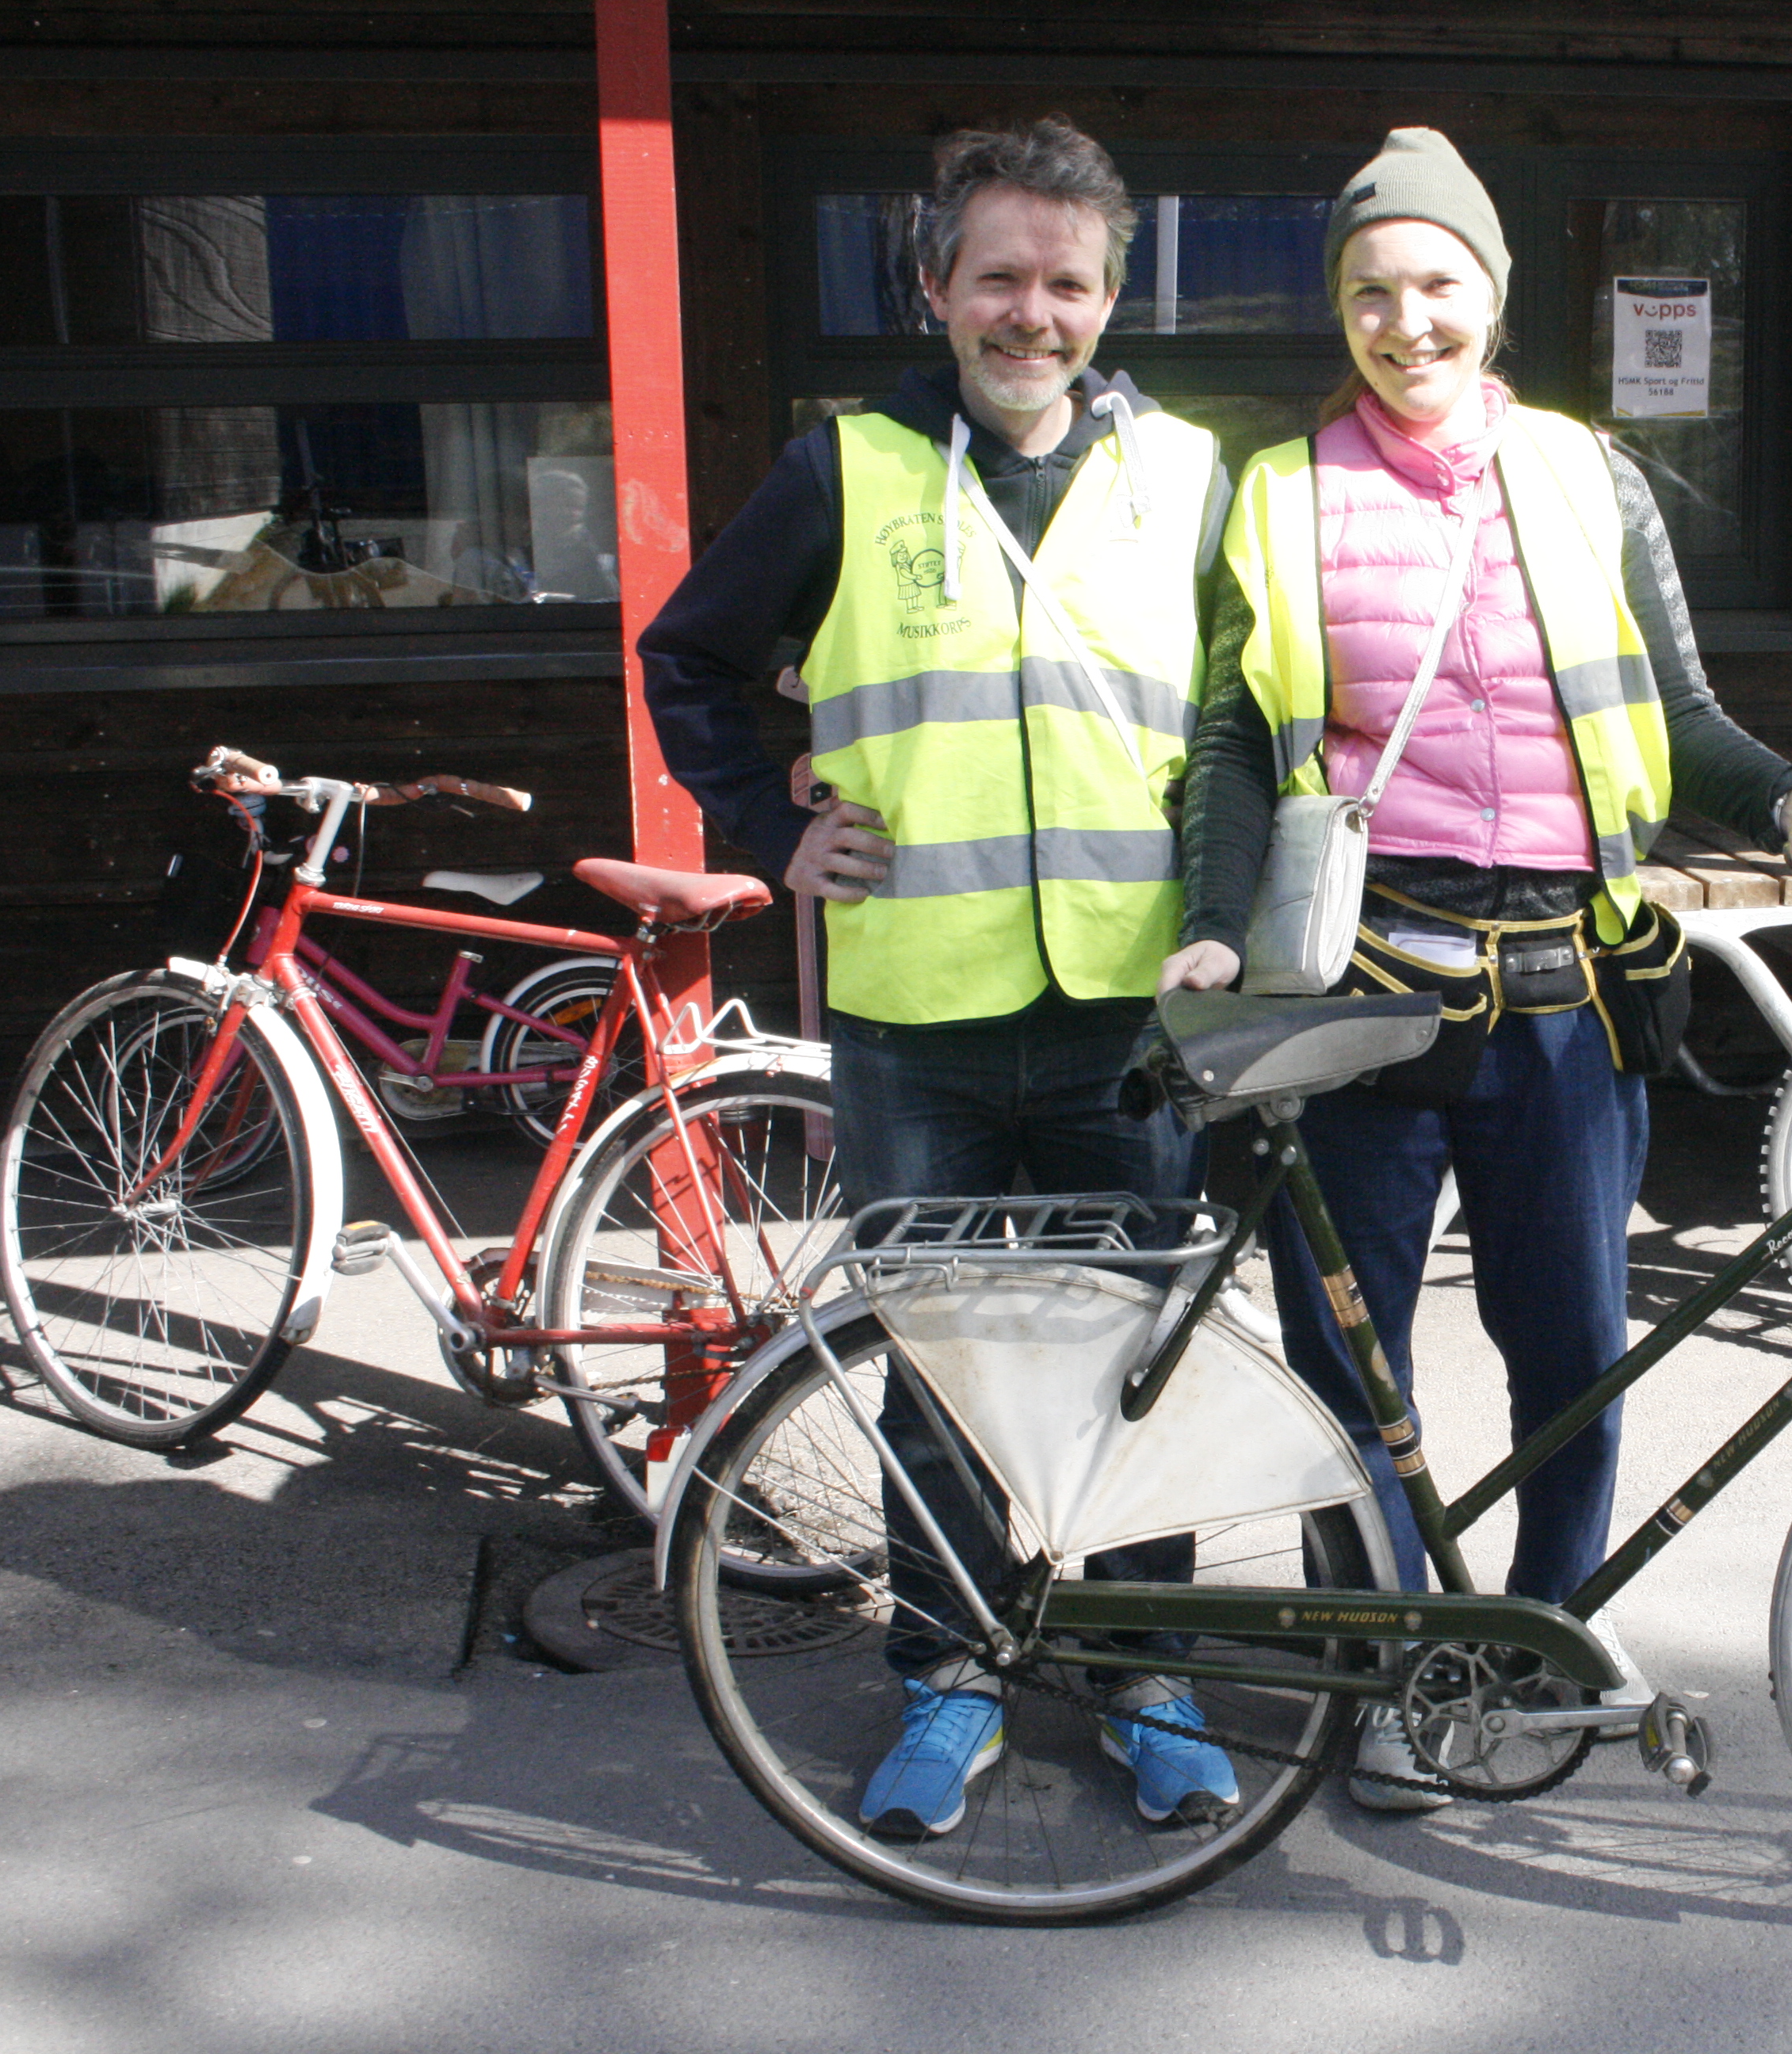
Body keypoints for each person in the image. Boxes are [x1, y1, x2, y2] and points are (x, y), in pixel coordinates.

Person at [1160, 128, 1792, 1808]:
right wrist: (1212, 912)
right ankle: (1402, 1658)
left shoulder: (1584, 477)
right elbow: (1233, 746)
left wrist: (1791, 795)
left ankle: (1532, 1640)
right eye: (1370, 294)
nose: (1407, 322)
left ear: (1492, 292)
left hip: (1566, 991)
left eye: (1436, 285)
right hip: (1369, 989)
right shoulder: (1278, 493)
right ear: (1339, 311)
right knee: (1352, 1369)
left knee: (1574, 1348)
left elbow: (1678, 719)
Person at [640, 118, 1237, 1840]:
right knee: (938, 1363)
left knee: (1136, 1355)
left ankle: (1146, 1670)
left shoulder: (1190, 477)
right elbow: (688, 655)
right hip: (920, 1017)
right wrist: (766, 822)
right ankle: (952, 1674)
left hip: (1132, 1021)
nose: (1029, 312)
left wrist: (1218, 908)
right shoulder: (849, 471)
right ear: (935, 289)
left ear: (1110, 296)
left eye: (1065, 280)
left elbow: (1232, 729)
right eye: (998, 278)